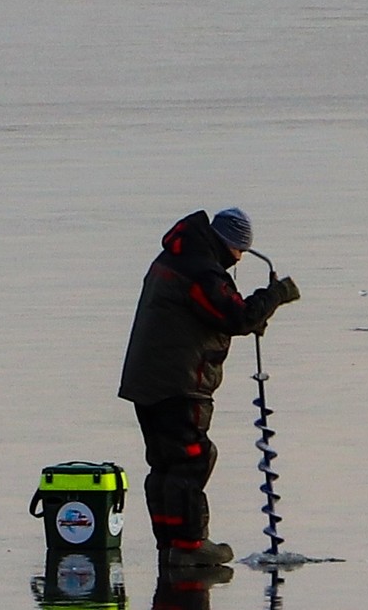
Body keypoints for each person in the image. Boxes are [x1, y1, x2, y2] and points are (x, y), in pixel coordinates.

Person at [118, 208, 299, 567]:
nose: (239, 261)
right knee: (192, 459)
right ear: (232, 246)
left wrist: (246, 316)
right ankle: (189, 546)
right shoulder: (200, 270)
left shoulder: (175, 258)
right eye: (239, 254)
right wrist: (275, 296)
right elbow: (236, 316)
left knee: (165, 464)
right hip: (178, 382)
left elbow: (211, 315)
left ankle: (170, 544)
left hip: (146, 379)